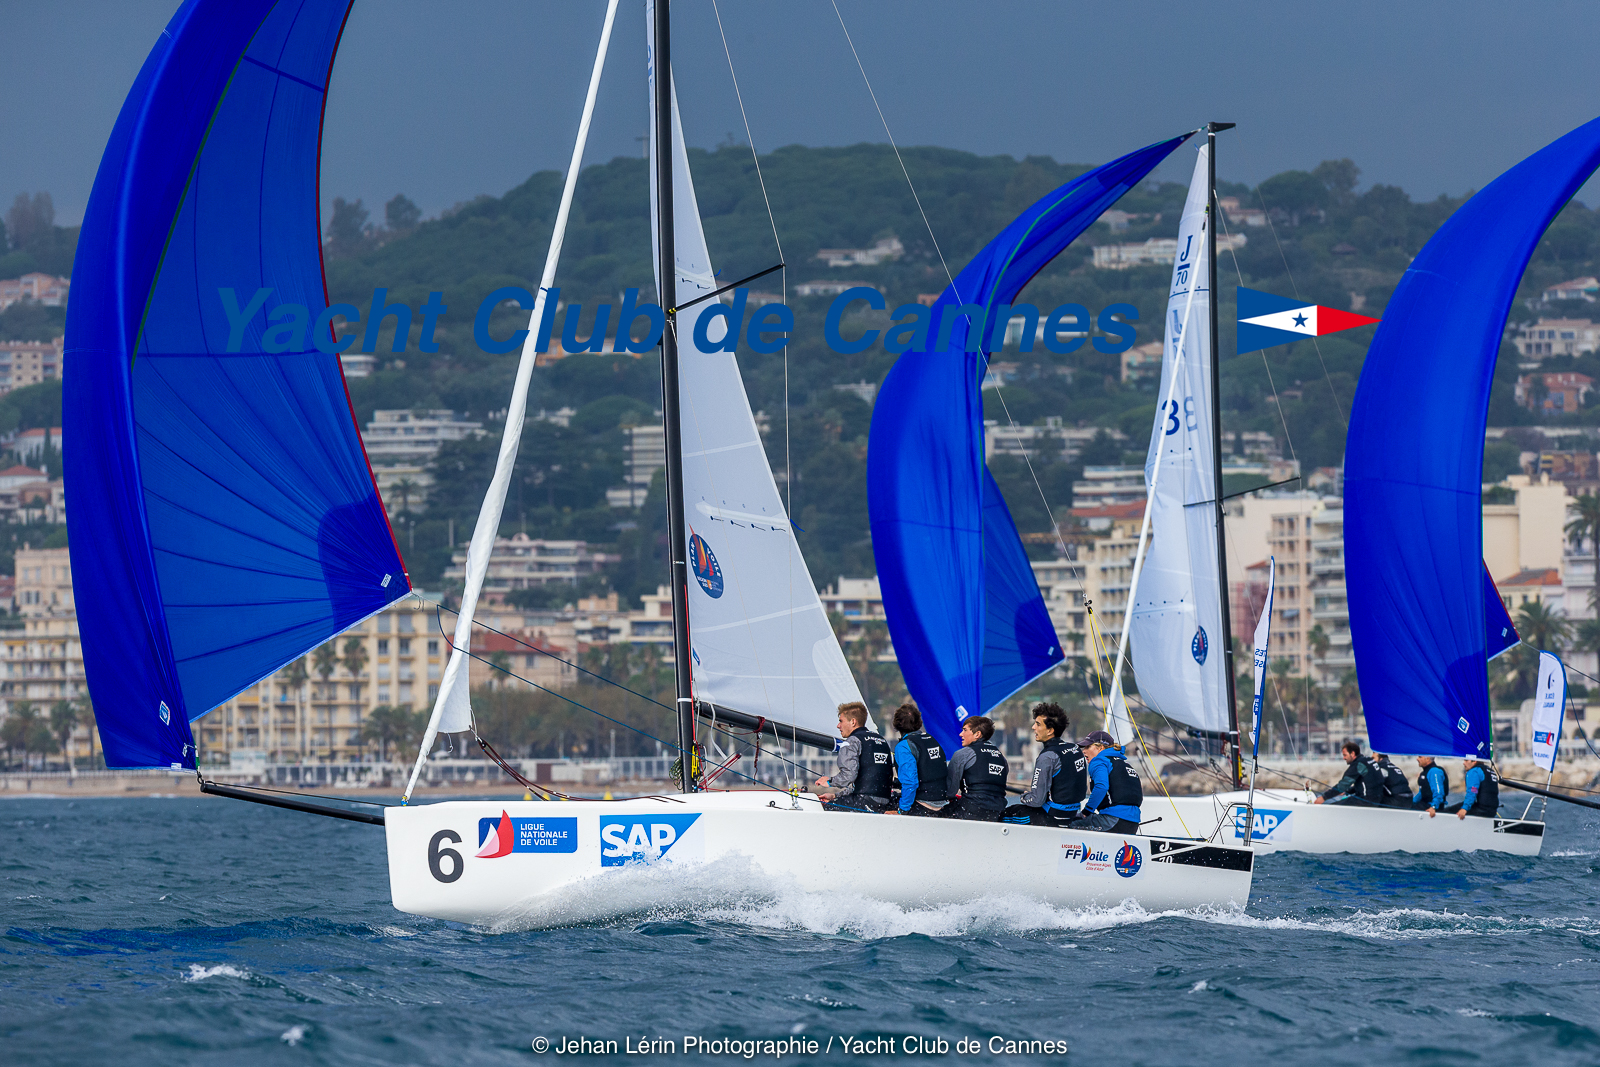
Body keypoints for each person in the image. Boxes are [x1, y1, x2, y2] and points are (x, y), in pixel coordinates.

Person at [1002, 703, 1087, 826]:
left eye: (1038, 724)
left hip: (1053, 817)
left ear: (1050, 731)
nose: (1033, 727)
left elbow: (1036, 801)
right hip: (1072, 814)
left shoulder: (1047, 756)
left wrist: (1024, 797)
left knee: (1006, 814)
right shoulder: (1075, 749)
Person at [814, 702, 892, 812]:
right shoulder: (881, 740)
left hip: (863, 802)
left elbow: (849, 775)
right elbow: (866, 784)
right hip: (884, 802)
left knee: (823, 809)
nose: (838, 726)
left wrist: (829, 781)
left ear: (853, 722)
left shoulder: (851, 741)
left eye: (841, 721)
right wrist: (835, 796)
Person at [934, 716, 1009, 821]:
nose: (961, 734)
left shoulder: (962, 754)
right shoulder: (1002, 758)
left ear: (977, 734)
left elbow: (950, 792)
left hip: (971, 810)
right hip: (998, 812)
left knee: (935, 813)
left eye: (965, 730)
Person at [1066, 730, 1142, 834]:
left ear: (1100, 748)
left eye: (1088, 747)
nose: (1083, 751)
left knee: (1068, 822)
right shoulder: (1125, 764)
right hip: (1133, 823)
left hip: (1112, 821)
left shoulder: (1099, 761)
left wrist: (1086, 811)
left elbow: (1101, 787)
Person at [889, 702, 948, 816]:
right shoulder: (931, 739)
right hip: (941, 803)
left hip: (923, 805)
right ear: (919, 722)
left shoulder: (904, 746)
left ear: (897, 724)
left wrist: (902, 811)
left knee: (884, 806)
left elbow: (910, 782)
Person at [1313, 740, 1384, 806]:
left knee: (1332, 808)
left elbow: (1342, 785)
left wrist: (1323, 798)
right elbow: (1368, 783)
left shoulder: (1358, 764)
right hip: (1377, 799)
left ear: (1352, 754)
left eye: (1345, 755)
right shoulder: (1368, 760)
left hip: (1366, 801)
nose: (1344, 758)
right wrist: (1348, 791)